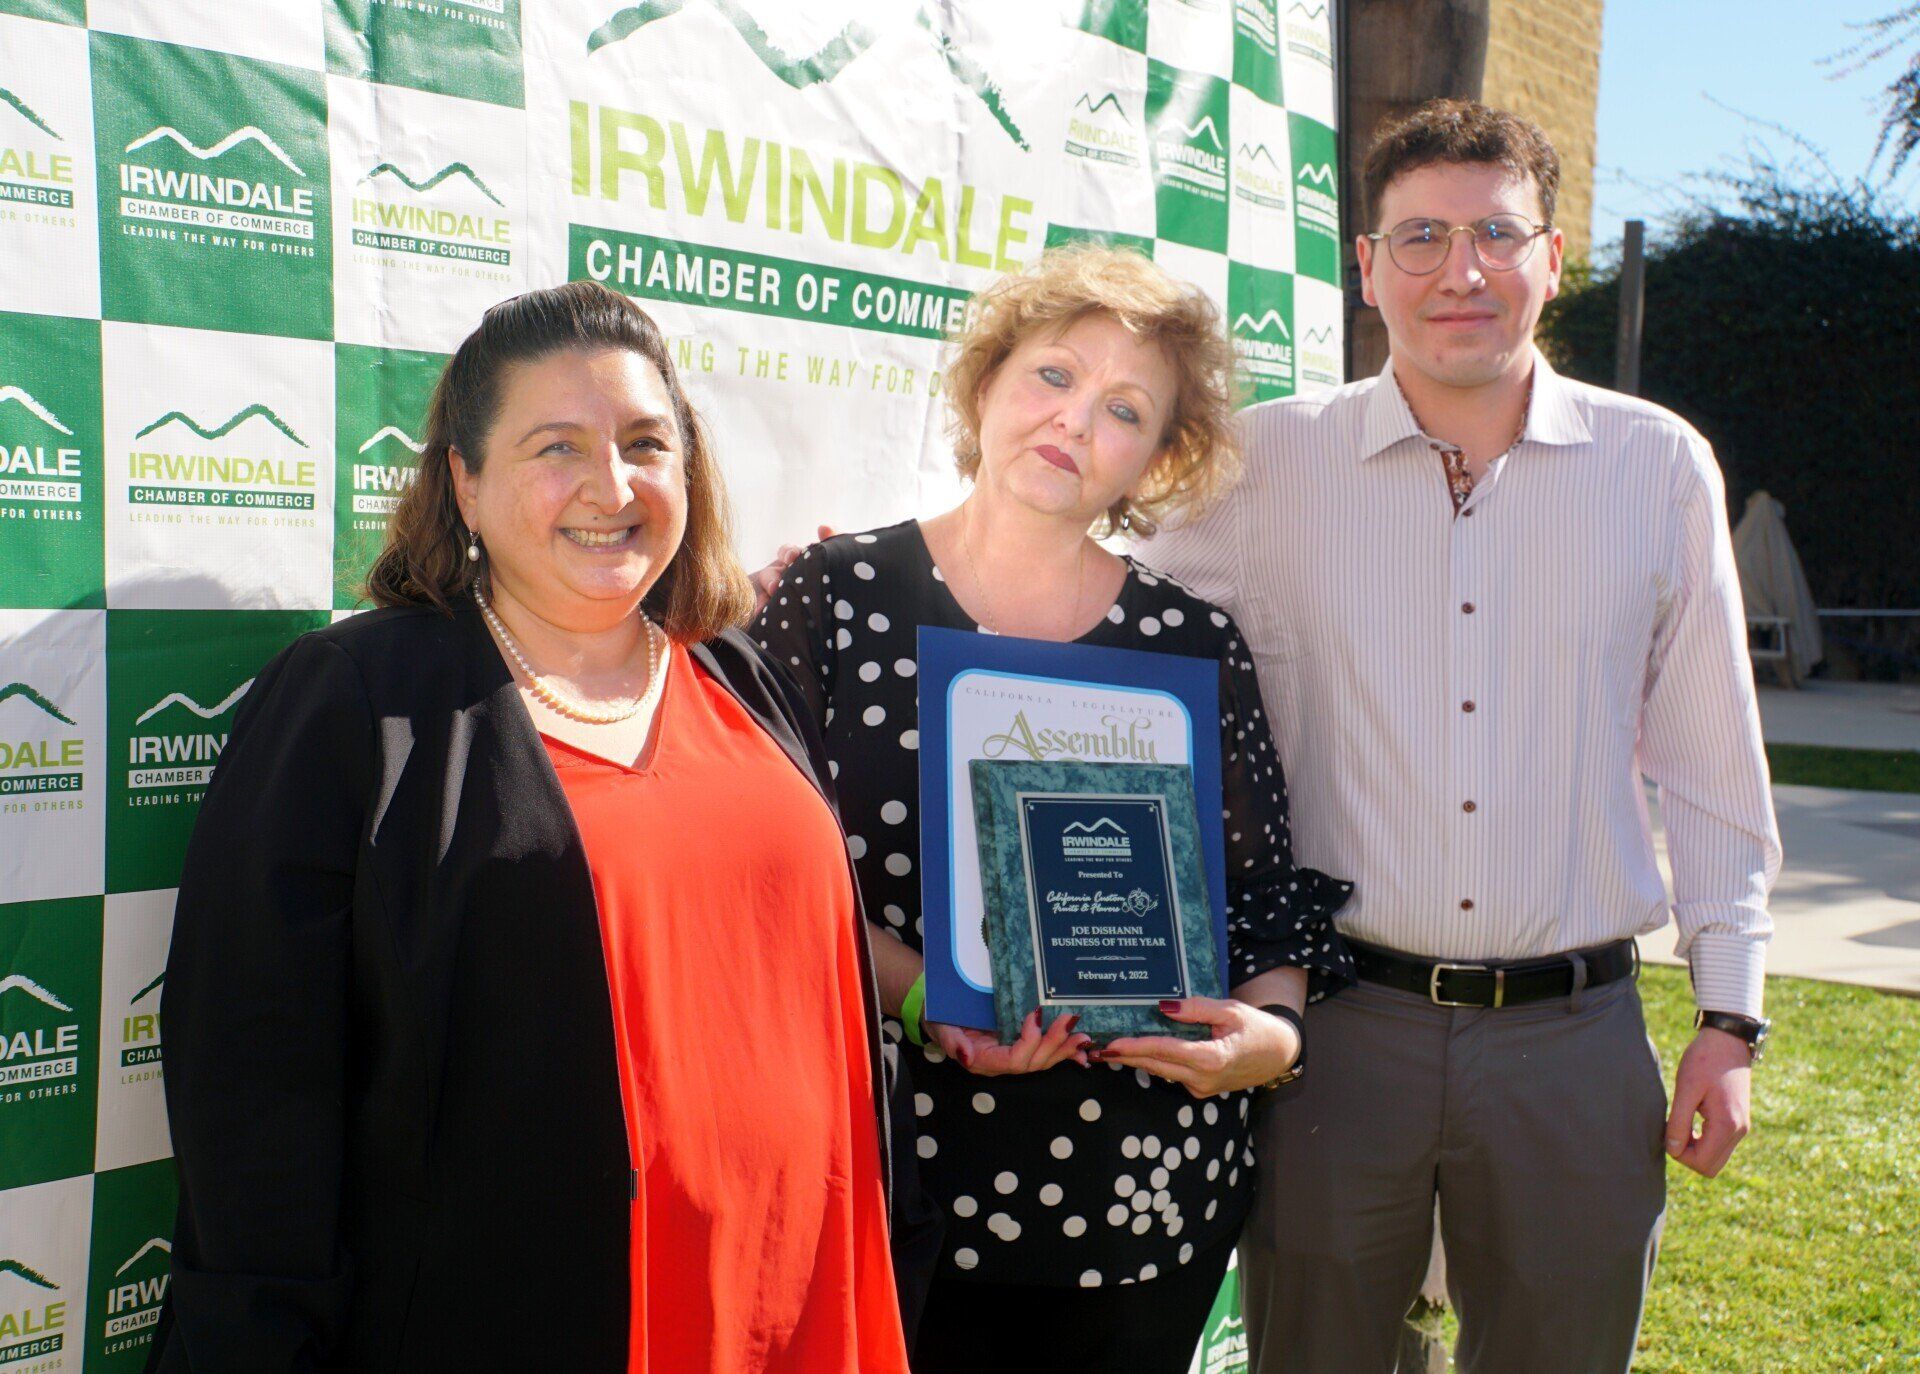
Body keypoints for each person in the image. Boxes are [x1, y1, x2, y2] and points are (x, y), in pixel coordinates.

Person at [150, 281, 931, 1374]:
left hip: (798, 1298)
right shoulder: (354, 701)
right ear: (464, 485)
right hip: (525, 1322)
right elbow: (252, 1075)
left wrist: (946, 1005)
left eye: (646, 443)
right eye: (556, 447)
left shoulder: (739, 673)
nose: (612, 486)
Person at [1142, 100, 1782, 1374]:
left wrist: (1731, 1016)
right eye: (1422, 236)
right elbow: (1087, 595)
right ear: (1367, 266)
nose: (1462, 272)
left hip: (1574, 1041)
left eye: (1498, 234)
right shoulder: (1263, 466)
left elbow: (1713, 762)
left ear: (1553, 258)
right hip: (1336, 1038)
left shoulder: (1656, 467)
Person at [751, 244, 1353, 1372]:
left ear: (1155, 461)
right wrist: (920, 992)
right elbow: (761, 872)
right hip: (883, 1165)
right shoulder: (832, 598)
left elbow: (1265, 896)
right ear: (986, 382)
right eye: (1053, 375)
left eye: (1125, 410)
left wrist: (1271, 1039)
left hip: (1139, 1196)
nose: (1074, 420)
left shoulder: (1192, 643)